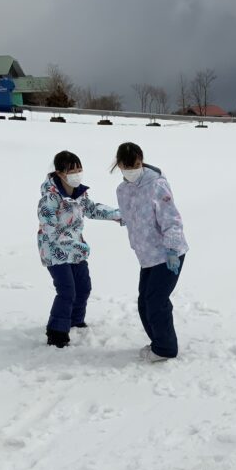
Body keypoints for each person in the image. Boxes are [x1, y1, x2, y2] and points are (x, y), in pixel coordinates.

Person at [113, 142, 189, 362]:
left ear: (141, 160)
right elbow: (130, 215)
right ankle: (158, 342)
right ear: (118, 165)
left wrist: (173, 249)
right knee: (145, 302)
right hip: (146, 256)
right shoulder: (122, 190)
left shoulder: (157, 184)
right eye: (126, 166)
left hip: (168, 254)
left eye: (135, 164)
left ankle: (165, 349)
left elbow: (172, 219)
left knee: (156, 301)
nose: (131, 169)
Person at [37, 150, 121, 348]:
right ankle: (56, 332)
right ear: (59, 173)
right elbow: (49, 228)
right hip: (54, 251)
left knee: (83, 287)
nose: (77, 173)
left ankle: (75, 320)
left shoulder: (79, 194)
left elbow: (92, 209)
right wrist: (72, 243)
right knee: (67, 290)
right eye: (72, 170)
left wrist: (119, 214)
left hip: (76, 249)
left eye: (79, 169)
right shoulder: (49, 198)